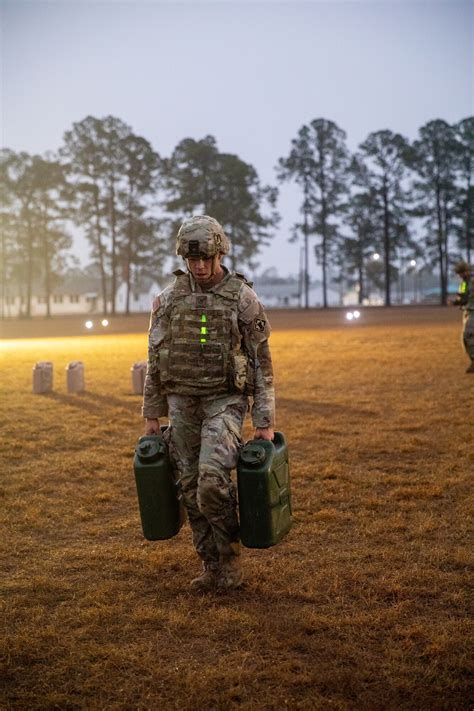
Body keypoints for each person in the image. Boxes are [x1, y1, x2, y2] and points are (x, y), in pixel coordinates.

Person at [142, 215, 275, 591]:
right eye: (192, 260)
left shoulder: (243, 298)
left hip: (224, 401)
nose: (199, 267)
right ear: (184, 259)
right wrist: (152, 413)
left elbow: (261, 363)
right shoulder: (169, 300)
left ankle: (229, 559)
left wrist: (263, 421)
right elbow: (154, 358)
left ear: (220, 254)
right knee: (189, 487)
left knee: (211, 483)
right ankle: (210, 565)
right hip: (181, 401)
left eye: (206, 259)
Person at [452, 260, 474, 373]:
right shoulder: (464, 284)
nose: (461, 275)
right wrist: (455, 302)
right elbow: (462, 299)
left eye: (463, 272)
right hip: (468, 312)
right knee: (465, 338)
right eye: (459, 273)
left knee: (467, 335)